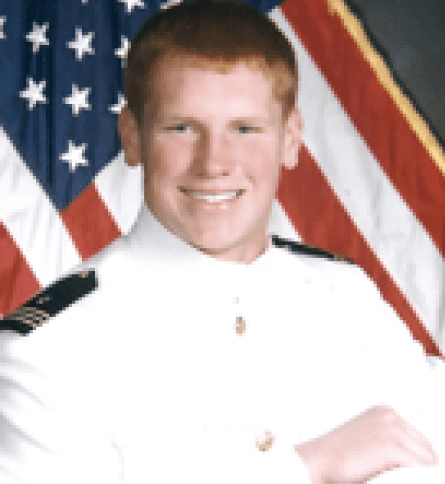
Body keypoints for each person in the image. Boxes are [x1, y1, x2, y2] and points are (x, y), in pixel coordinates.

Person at [0, 1, 444, 483]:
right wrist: (306, 467)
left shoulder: (348, 296)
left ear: (291, 138)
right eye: (182, 129)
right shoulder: (47, 349)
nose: (214, 162)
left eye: (245, 129)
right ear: (132, 136)